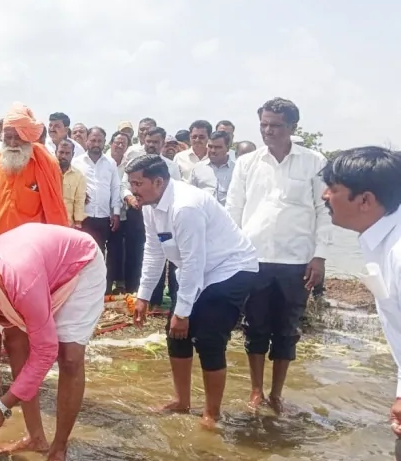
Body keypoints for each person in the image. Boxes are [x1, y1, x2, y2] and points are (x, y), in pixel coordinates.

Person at [0, 223, 106, 460]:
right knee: (14, 342)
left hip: (79, 267)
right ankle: (36, 437)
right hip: (37, 268)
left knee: (69, 356)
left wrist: (3, 406)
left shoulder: (22, 284)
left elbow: (45, 351)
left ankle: (59, 448)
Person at [128, 154, 258, 428]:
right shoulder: (150, 206)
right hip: (195, 270)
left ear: (159, 181)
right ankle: (182, 401)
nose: (133, 190)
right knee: (176, 334)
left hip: (231, 268)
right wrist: (142, 295)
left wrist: (183, 312)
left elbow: (194, 262)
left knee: (208, 337)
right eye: (131, 183)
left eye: (138, 183)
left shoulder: (185, 206)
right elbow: (153, 251)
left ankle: (212, 413)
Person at [226, 97, 332, 413]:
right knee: (255, 327)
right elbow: (233, 210)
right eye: (264, 125)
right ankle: (256, 391)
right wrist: (232, 254)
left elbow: (323, 211)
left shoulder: (314, 162)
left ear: (292, 127)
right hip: (254, 257)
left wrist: (320, 256)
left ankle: (277, 393)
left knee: (287, 330)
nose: (268, 131)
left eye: (276, 125)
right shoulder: (247, 163)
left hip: (297, 260)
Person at [0, 102, 69, 396]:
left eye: (16, 137)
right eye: (6, 136)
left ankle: (25, 385)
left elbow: (56, 215)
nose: (10, 143)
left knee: (23, 330)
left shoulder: (45, 164)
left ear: (29, 136)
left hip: (27, 264)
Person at [320, 146, 401, 447]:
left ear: (365, 200)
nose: (324, 196)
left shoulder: (398, 251)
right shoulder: (379, 238)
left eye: (333, 189)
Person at [122, 126, 182, 307]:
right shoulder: (134, 163)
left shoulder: (171, 167)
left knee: (167, 251)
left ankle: (163, 300)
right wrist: (132, 197)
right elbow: (123, 185)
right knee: (142, 252)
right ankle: (138, 294)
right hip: (138, 210)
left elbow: (172, 192)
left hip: (166, 215)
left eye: (156, 142)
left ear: (163, 143)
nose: (151, 145)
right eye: (148, 141)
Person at [72, 127, 121, 293]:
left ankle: (103, 289)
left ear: (104, 143)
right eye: (93, 140)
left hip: (104, 216)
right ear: (87, 141)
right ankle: (83, 290)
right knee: (84, 254)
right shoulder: (77, 162)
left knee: (103, 255)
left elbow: (116, 188)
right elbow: (71, 184)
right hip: (83, 216)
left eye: (99, 141)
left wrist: (116, 212)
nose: (96, 144)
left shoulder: (111, 164)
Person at [108, 130, 136, 292]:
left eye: (123, 144)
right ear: (111, 143)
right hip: (105, 212)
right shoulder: (103, 161)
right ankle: (106, 282)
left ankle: (120, 283)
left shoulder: (130, 163)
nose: (119, 146)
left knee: (121, 250)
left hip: (125, 213)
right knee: (108, 250)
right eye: (117, 142)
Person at [190, 131, 235, 205]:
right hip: (203, 214)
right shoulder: (198, 168)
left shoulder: (236, 169)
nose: (213, 151)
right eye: (210, 147)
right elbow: (191, 194)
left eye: (218, 147)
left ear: (227, 148)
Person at [56, 139, 86, 229]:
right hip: (48, 222)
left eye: (67, 153)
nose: (63, 156)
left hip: (68, 224)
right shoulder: (47, 172)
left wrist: (78, 223)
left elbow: (79, 201)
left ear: (72, 155)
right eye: (61, 152)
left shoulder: (78, 176)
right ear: (55, 152)